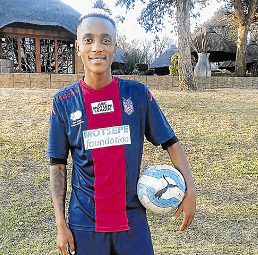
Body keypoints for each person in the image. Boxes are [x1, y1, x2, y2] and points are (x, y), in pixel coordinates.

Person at [47, 10, 197, 255]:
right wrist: (60, 223)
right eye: (88, 40)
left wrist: (190, 189)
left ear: (115, 47)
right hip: (85, 225)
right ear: (78, 47)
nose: (97, 47)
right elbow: (57, 164)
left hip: (132, 222)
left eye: (106, 40)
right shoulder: (63, 102)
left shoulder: (136, 95)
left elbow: (171, 142)